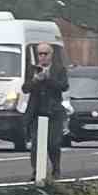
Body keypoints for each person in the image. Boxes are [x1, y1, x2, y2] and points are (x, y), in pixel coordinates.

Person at [24, 43, 68, 180]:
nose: (42, 57)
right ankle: (37, 171)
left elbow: (63, 86)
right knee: (36, 144)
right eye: (40, 54)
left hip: (54, 111)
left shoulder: (59, 69)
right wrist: (35, 80)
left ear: (51, 54)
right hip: (36, 112)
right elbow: (25, 88)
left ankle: (56, 168)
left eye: (45, 54)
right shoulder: (32, 70)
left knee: (53, 143)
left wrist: (48, 78)